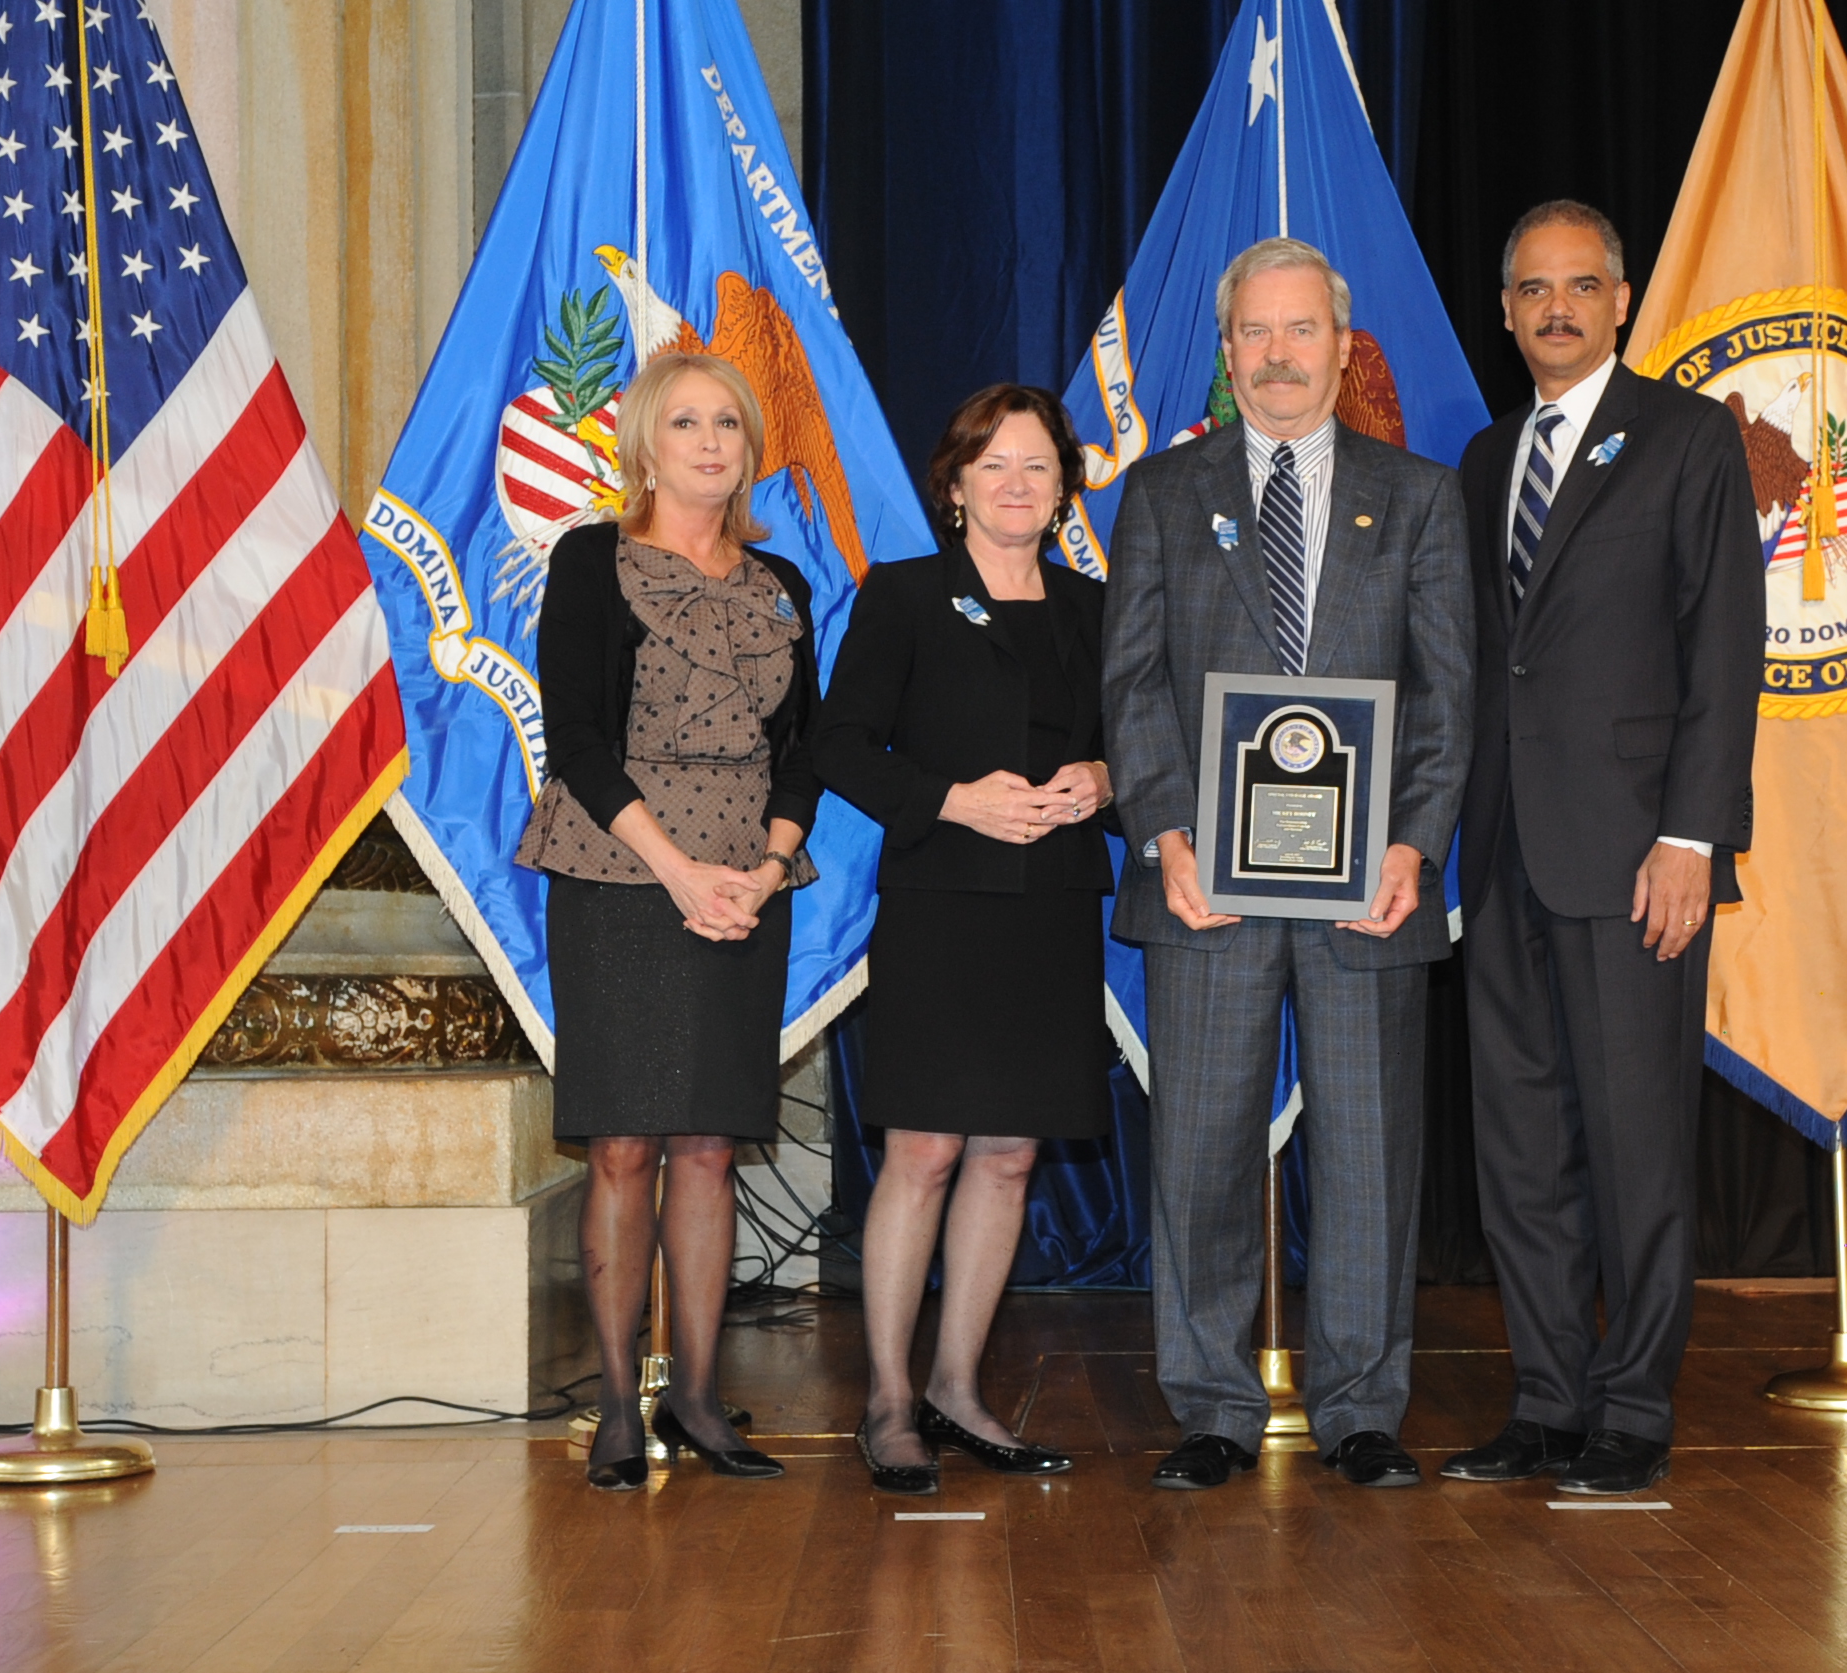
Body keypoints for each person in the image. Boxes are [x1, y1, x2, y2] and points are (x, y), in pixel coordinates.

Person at [1101, 237, 1473, 1491]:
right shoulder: (1161, 493)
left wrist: (1415, 842)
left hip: (1369, 888)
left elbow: (1446, 698)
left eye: (1299, 330)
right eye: (1253, 334)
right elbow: (1133, 686)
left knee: (1369, 1156)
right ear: (1225, 351)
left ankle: (1362, 1410)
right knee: (1200, 1150)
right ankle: (1210, 1405)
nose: (1276, 356)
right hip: (1207, 880)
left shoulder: (1416, 496)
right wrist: (1166, 830)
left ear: (1341, 343)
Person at [1445, 200, 1764, 1496]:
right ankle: (1546, 1399)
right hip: (1502, 847)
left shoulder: (1688, 438)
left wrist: (1691, 835)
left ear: (1622, 300)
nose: (1558, 308)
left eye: (1582, 286)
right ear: (1508, 308)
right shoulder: (1482, 460)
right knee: (1520, 1143)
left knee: (1636, 1141)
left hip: (1636, 853)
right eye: (1534, 289)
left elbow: (1724, 648)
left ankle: (1632, 1406)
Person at [516, 349, 820, 1491]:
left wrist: (766, 864)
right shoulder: (592, 561)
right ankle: (615, 1404)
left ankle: (696, 1396)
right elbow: (577, 740)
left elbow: (805, 753)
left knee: (708, 1144)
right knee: (626, 1142)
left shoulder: (780, 583)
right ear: (645, 442)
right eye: (685, 423)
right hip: (620, 876)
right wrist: (680, 871)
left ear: (749, 450)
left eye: (728, 426)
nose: (709, 444)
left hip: (745, 888)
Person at [813, 384, 1111, 1496]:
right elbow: (841, 744)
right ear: (954, 485)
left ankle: (956, 1386)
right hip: (944, 903)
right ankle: (888, 1399)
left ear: (1062, 488)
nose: (1018, 485)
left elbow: (1136, 743)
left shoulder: (1094, 607)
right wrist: (950, 799)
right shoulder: (903, 597)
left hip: (1051, 911)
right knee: (927, 1151)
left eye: (1038, 467)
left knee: (1012, 1154)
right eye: (996, 466)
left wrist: (1104, 779)